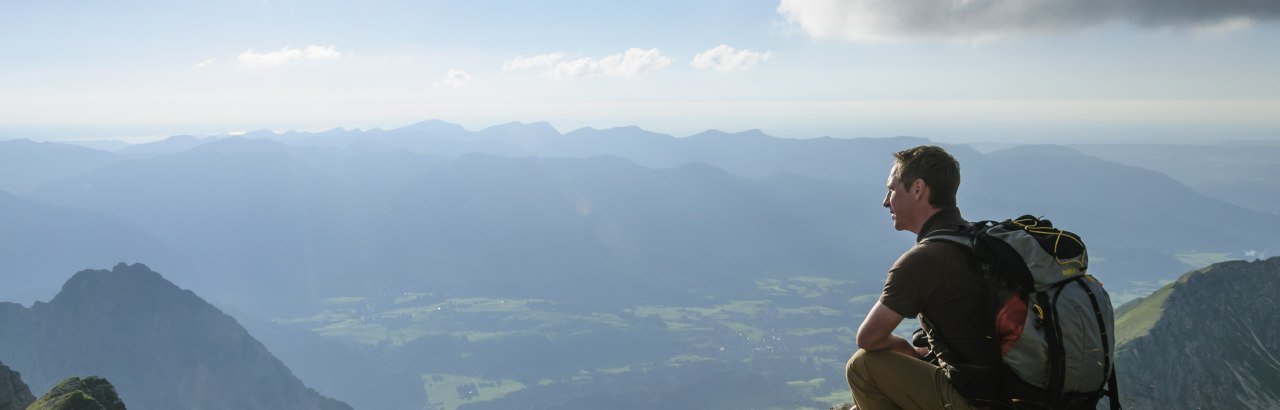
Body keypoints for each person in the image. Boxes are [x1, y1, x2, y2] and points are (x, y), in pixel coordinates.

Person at [845, 145, 1002, 409]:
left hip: (976, 400)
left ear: (918, 189)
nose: (886, 201)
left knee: (863, 365)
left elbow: (869, 338)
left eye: (892, 189)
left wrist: (909, 352)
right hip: (1009, 393)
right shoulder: (975, 240)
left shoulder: (924, 259)